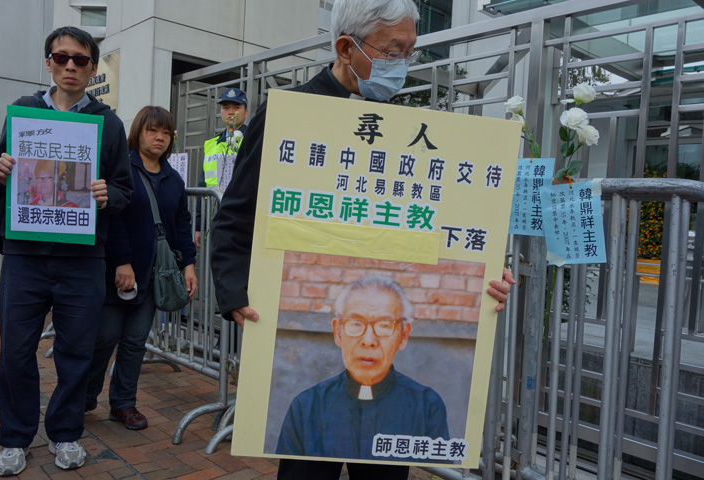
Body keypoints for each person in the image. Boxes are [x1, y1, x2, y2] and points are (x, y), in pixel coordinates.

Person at [209, 1, 515, 478]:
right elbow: (233, 219)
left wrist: (487, 273)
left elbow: (442, 228)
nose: (404, 65)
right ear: (346, 48)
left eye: (411, 52)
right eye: (395, 51)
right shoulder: (289, 116)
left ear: (403, 333)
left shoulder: (413, 133)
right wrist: (234, 294)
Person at [0, 26, 133, 476]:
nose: (71, 66)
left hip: (83, 259)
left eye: (81, 60)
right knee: (14, 352)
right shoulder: (24, 114)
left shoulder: (108, 123)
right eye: (61, 57)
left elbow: (126, 191)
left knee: (76, 353)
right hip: (26, 256)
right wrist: (0, 171)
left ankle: (65, 433)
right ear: (48, 62)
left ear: (91, 67)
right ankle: (14, 438)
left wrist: (110, 194)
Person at [85, 106, 198, 430]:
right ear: (138, 132)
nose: (160, 137)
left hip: (152, 276)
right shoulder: (124, 170)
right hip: (116, 274)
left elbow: (181, 222)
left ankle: (123, 404)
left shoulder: (173, 179)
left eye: (166, 132)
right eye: (153, 130)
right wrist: (121, 262)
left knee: (135, 342)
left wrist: (188, 265)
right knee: (104, 338)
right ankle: (85, 397)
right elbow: (113, 217)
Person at [276, 276, 450, 460]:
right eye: (356, 323)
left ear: (403, 336)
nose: (368, 341)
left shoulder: (427, 406)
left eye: (384, 325)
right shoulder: (306, 406)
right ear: (338, 332)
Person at [194, 87, 249, 247]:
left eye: (236, 107)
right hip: (217, 218)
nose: (230, 112)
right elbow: (202, 186)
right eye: (226, 108)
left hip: (243, 218)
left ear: (246, 112)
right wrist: (199, 224)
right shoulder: (211, 145)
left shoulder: (253, 140)